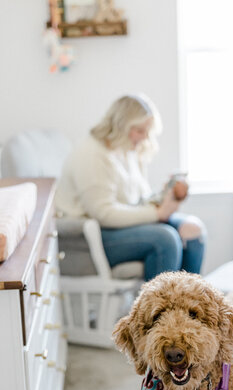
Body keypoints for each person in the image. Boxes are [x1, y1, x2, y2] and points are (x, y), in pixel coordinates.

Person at [55, 94, 206, 281]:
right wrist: (158, 214)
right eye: (139, 131)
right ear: (121, 125)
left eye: (147, 132)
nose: (144, 138)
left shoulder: (126, 150)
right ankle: (158, 308)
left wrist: (166, 197)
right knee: (165, 240)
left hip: (123, 226)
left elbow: (137, 200)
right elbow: (103, 213)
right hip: (91, 237)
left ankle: (190, 306)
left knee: (193, 231)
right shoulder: (91, 155)